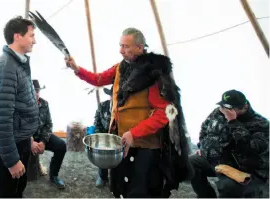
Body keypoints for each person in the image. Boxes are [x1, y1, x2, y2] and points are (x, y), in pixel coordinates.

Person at [65, 27, 193, 197]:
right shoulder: (121, 67)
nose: (120, 50)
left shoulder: (154, 72)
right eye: (120, 45)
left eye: (125, 46)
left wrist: (135, 133)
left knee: (141, 191)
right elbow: (99, 79)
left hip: (146, 146)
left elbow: (165, 112)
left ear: (140, 48)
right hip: (122, 141)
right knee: (121, 189)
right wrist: (77, 69)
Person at [0, 16, 38, 198]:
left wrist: (28, 136)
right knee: (6, 192)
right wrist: (11, 160)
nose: (35, 40)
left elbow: (21, 105)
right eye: (32, 35)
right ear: (18, 36)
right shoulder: (5, 68)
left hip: (20, 138)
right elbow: (0, 119)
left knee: (17, 188)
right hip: (10, 143)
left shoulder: (19, 63)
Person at [190, 89, 269, 198]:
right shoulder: (218, 112)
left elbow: (251, 149)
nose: (224, 110)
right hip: (215, 160)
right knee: (190, 163)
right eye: (223, 106)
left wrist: (233, 121)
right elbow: (204, 129)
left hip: (240, 167)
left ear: (243, 107)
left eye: (229, 108)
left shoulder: (260, 123)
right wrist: (202, 147)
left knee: (227, 186)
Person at [29, 79, 67, 189]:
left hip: (41, 136)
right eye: (32, 90)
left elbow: (48, 125)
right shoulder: (23, 105)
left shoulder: (44, 104)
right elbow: (20, 128)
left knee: (61, 145)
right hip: (26, 139)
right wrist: (30, 142)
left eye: (37, 90)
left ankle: (54, 175)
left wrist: (43, 142)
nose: (35, 93)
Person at [93, 87, 113, 187]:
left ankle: (116, 176)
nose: (113, 98)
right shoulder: (102, 105)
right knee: (101, 150)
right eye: (112, 95)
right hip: (104, 135)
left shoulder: (123, 108)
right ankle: (102, 176)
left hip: (118, 137)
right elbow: (97, 122)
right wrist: (100, 137)